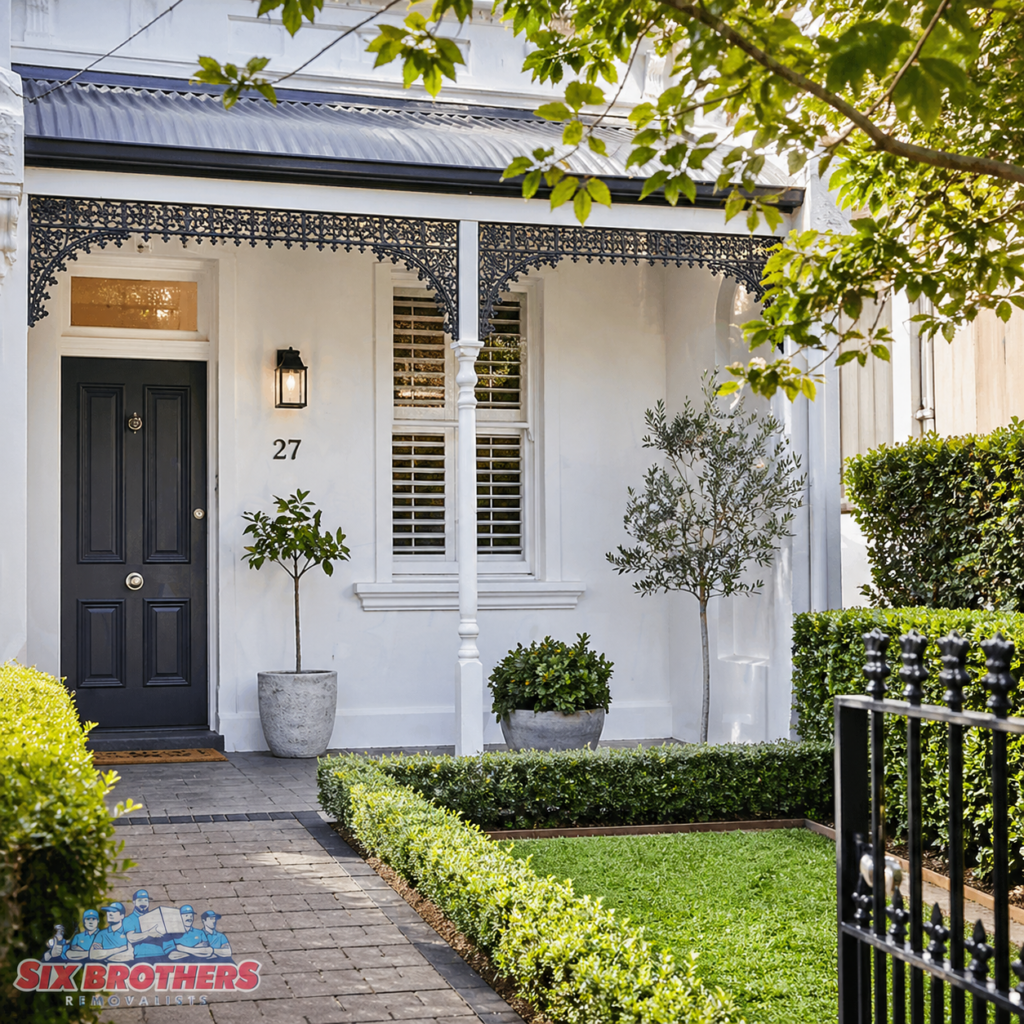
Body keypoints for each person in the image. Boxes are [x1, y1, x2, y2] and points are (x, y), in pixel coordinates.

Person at [122, 889, 165, 958]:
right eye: (140, 900)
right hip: (142, 957)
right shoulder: (129, 919)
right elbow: (131, 937)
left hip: (161, 955)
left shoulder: (155, 917)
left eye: (145, 900)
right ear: (134, 902)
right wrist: (148, 933)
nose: (143, 903)